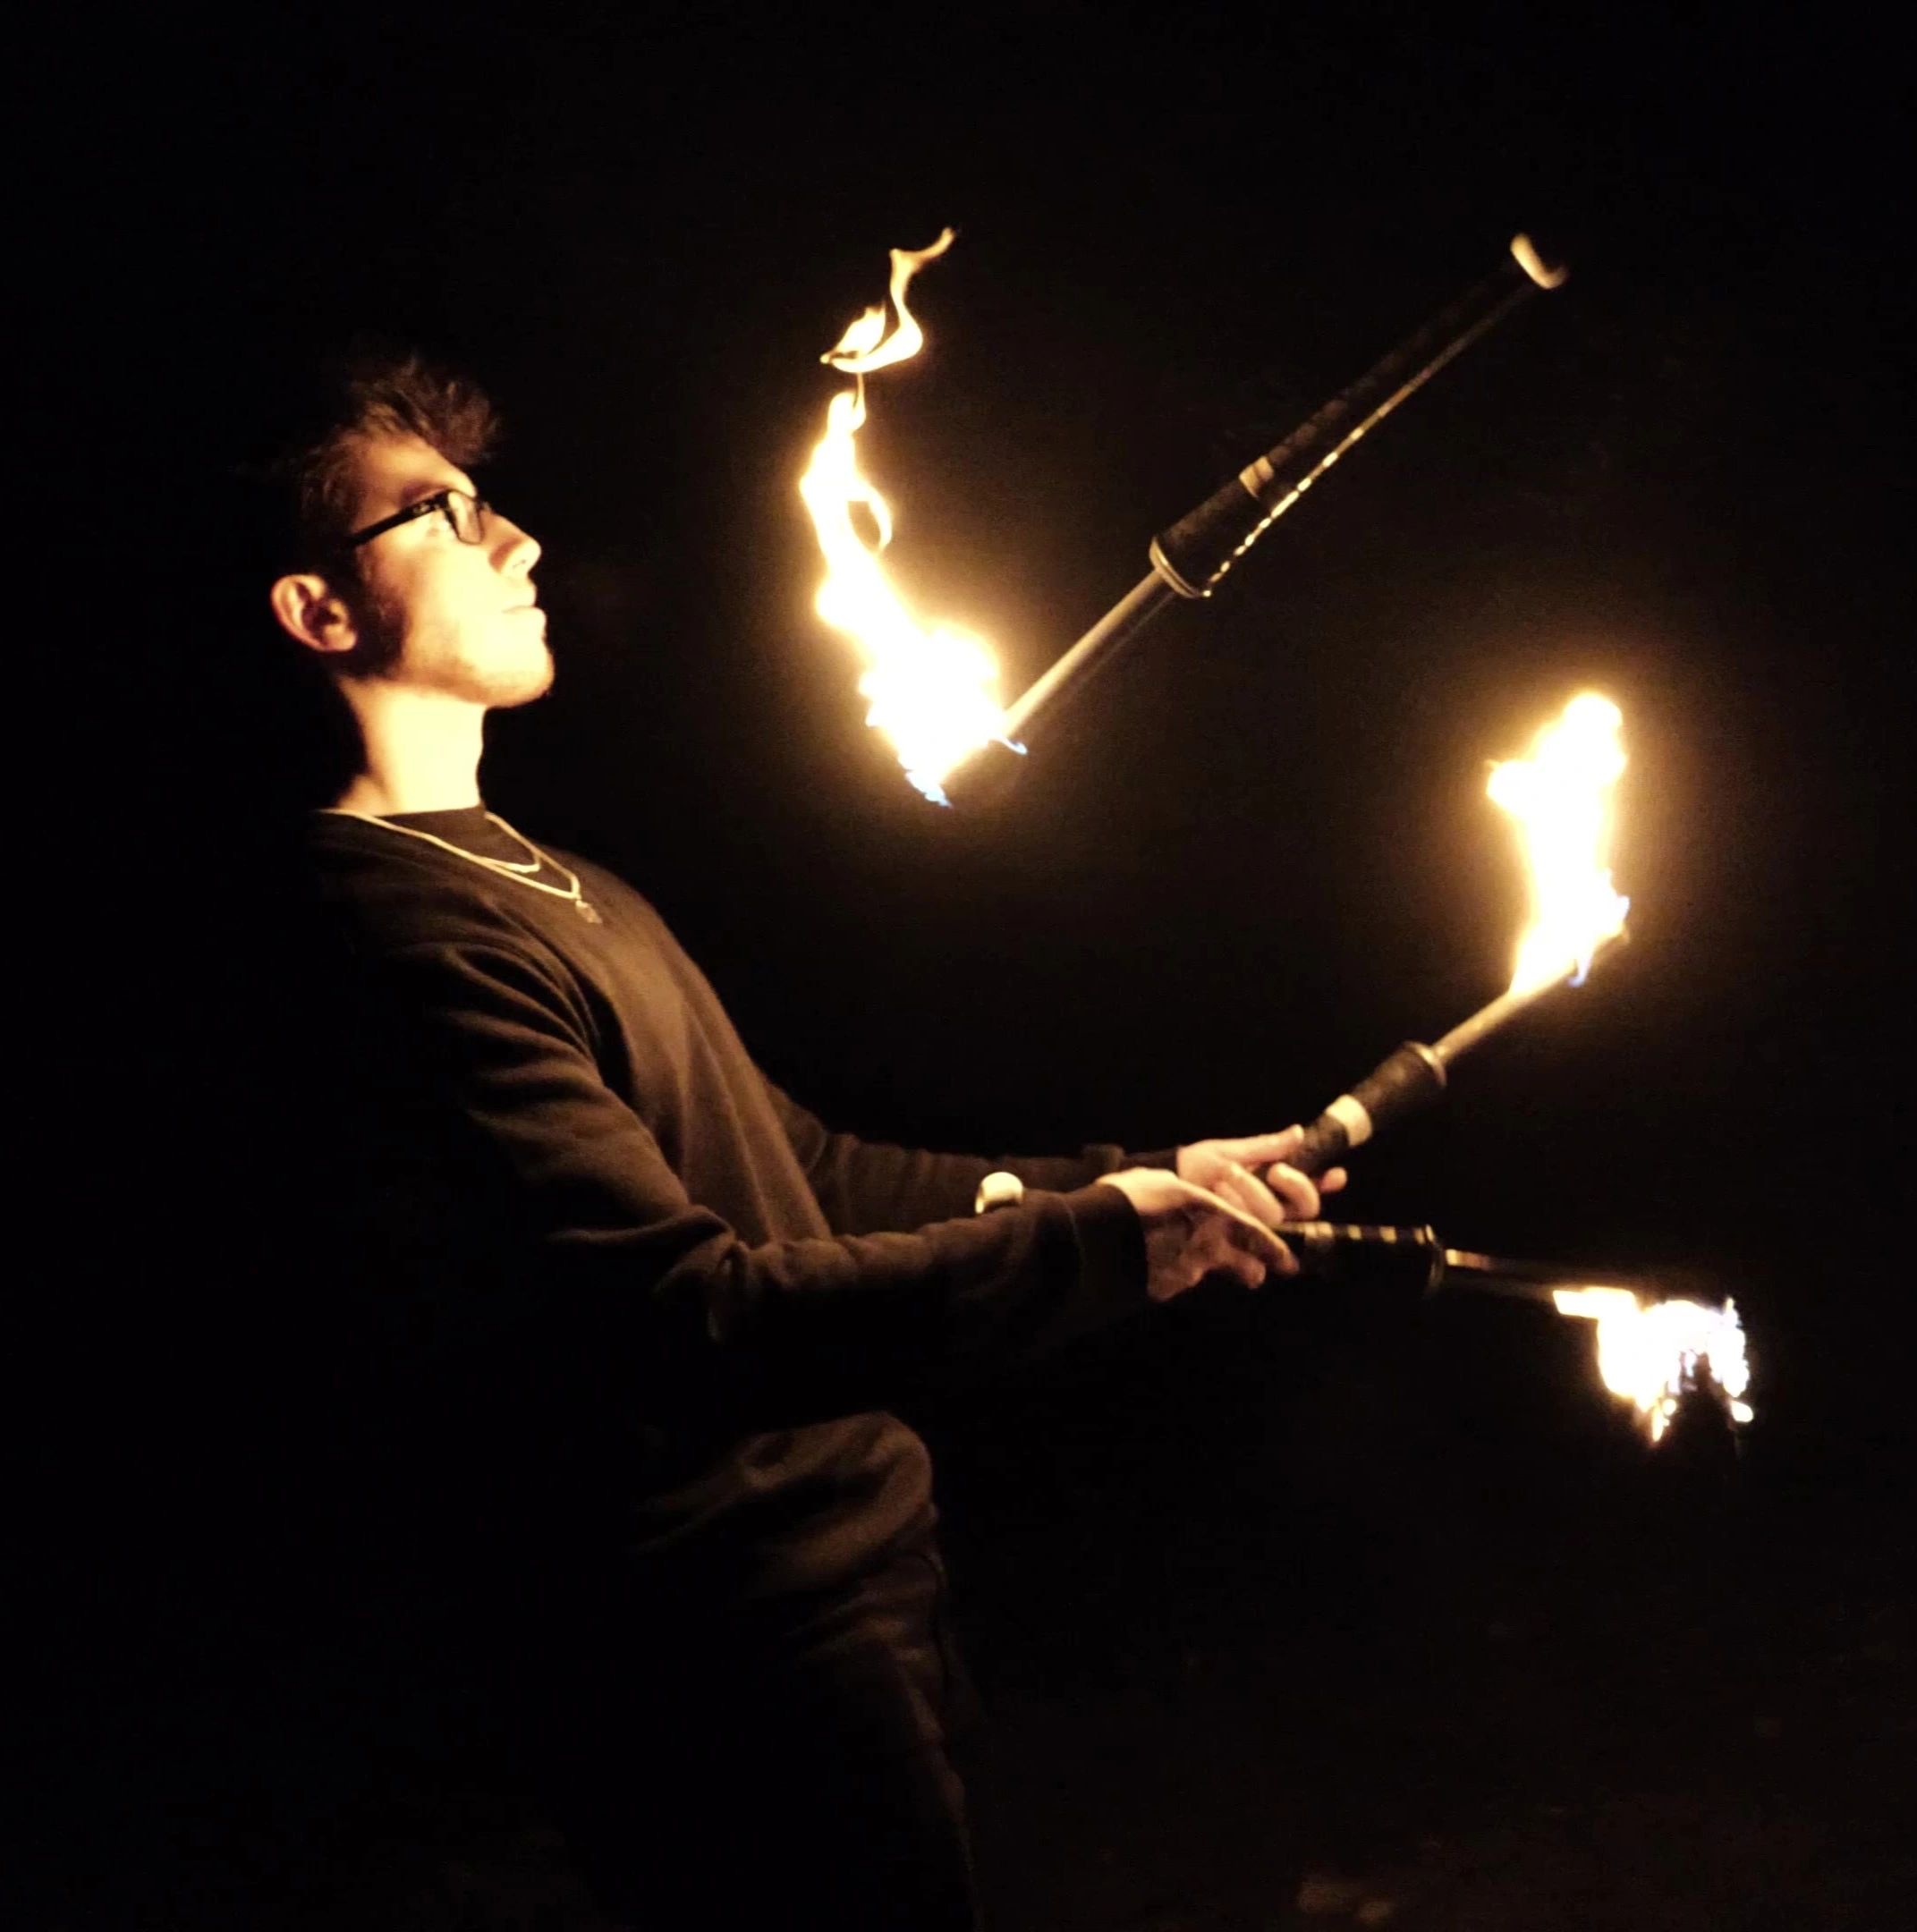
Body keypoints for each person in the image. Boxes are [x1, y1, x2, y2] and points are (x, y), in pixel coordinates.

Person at [257, 350, 1343, 1928]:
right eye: (446, 515)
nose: (521, 545)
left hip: (858, 1589)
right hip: (713, 1660)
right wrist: (1101, 1242)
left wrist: (1122, 1184)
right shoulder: (398, 943)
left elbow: (805, 1175)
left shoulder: (560, 884)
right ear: (317, 611)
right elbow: (692, 1318)